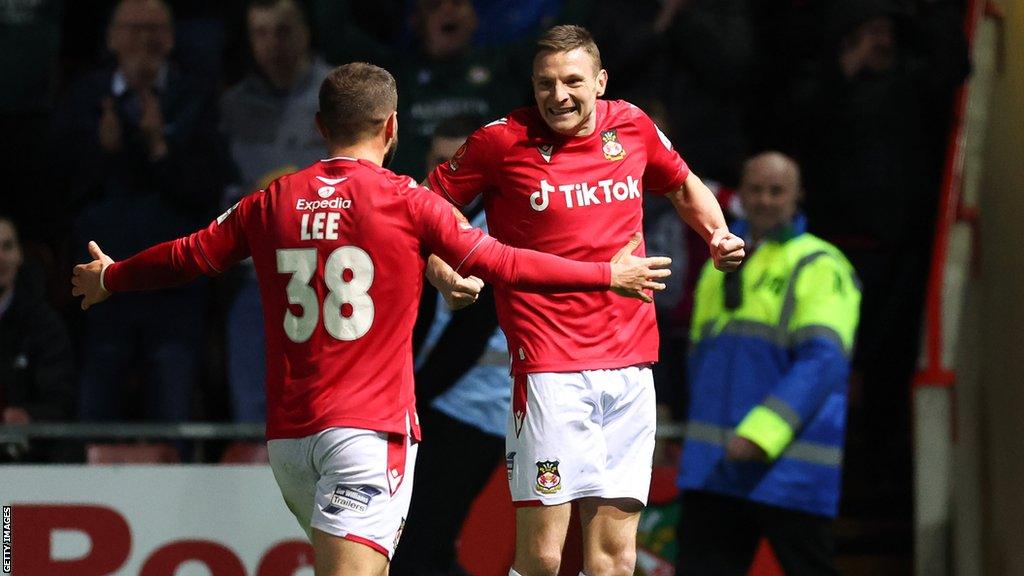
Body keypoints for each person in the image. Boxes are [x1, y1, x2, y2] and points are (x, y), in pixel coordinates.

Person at [71, 62, 673, 576]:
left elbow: (191, 254)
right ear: (391, 127)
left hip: (290, 438)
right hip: (367, 434)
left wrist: (113, 276)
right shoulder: (406, 200)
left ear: (319, 127)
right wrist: (605, 275)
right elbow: (503, 263)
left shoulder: (271, 199)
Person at [424, 25, 745, 576]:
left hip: (630, 369)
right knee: (545, 557)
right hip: (550, 372)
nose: (559, 96)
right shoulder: (502, 141)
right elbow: (432, 204)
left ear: (600, 81)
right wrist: (440, 266)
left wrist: (715, 232)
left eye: (572, 81)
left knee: (615, 558)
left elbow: (683, 183)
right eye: (546, 84)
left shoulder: (634, 126)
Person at [675, 152, 861, 575]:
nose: (764, 200)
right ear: (739, 195)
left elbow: (824, 363)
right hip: (715, 466)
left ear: (798, 197)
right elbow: (699, 360)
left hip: (785, 465)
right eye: (755, 189)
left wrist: (761, 434)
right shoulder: (719, 261)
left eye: (777, 191)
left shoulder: (819, 264)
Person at [53, 0, 229, 426]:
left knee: (174, 414)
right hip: (101, 290)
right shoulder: (84, 96)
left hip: (173, 288)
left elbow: (208, 191)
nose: (143, 40)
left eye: (154, 28)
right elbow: (61, 189)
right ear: (111, 38)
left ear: (171, 38)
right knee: (96, 414)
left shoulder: (197, 96)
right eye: (132, 28)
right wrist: (102, 152)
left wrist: (159, 150)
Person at [391, 116, 505, 576]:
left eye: (460, 162)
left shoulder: (494, 229)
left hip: (472, 408)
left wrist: (408, 397)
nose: (449, 172)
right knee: (424, 546)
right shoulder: (440, 222)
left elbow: (468, 337)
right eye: (440, 161)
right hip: (449, 403)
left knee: (419, 546)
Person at [219, 0, 334, 423]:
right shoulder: (232, 107)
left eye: (283, 31)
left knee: (327, 412)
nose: (272, 44)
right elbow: (220, 194)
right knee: (254, 414)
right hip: (259, 282)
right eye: (261, 33)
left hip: (330, 279)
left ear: (306, 32)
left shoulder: (339, 96)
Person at [0, 216, 75, 462]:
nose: (0, 257)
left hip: (29, 459)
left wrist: (28, 416)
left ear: (20, 255)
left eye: (7, 247)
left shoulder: (43, 324)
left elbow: (60, 400)